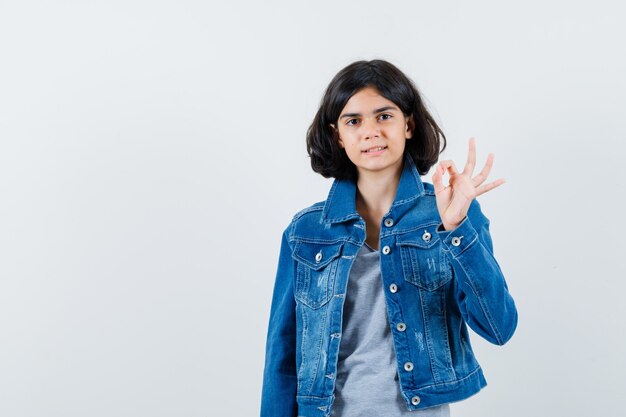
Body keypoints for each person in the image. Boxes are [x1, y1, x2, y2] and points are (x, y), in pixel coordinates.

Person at [260, 59, 518, 417]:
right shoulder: (305, 232)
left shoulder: (452, 213)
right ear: (338, 135)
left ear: (408, 125)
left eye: (384, 116)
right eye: (354, 121)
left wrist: (457, 229)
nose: (370, 131)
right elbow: (282, 356)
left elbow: (498, 326)